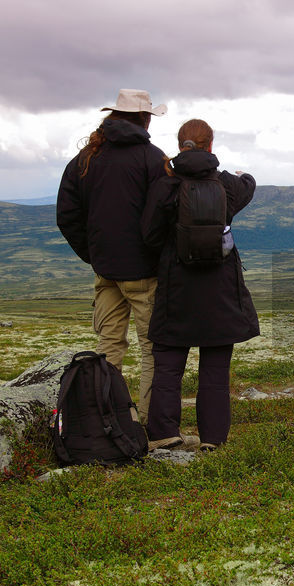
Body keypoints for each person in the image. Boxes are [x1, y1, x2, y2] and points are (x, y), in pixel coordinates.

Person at [141, 119, 259, 451]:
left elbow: (149, 235)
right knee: (216, 370)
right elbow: (248, 186)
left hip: (177, 287)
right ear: (210, 146)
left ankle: (164, 433)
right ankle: (213, 440)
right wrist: (244, 174)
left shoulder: (166, 185)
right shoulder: (228, 186)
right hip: (221, 290)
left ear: (180, 146)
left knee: (168, 364)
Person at [56, 89, 168, 426]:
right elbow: (163, 215)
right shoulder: (153, 158)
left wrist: (93, 254)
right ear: (145, 118)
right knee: (153, 350)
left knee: (108, 347)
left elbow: (67, 215)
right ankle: (151, 426)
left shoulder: (86, 158)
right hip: (144, 272)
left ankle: (107, 424)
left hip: (105, 271)